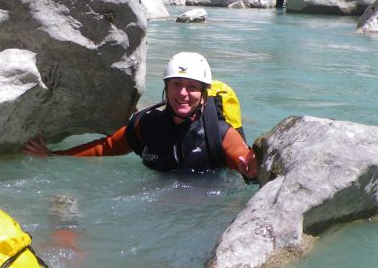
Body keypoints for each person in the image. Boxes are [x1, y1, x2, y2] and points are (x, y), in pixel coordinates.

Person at [22, 51, 259, 180]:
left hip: (204, 211)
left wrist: (251, 174)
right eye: (176, 84)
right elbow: (104, 148)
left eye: (192, 87)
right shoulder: (146, 125)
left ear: (204, 96)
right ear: (166, 88)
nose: (183, 93)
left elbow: (247, 166)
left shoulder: (220, 134)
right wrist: (53, 155)